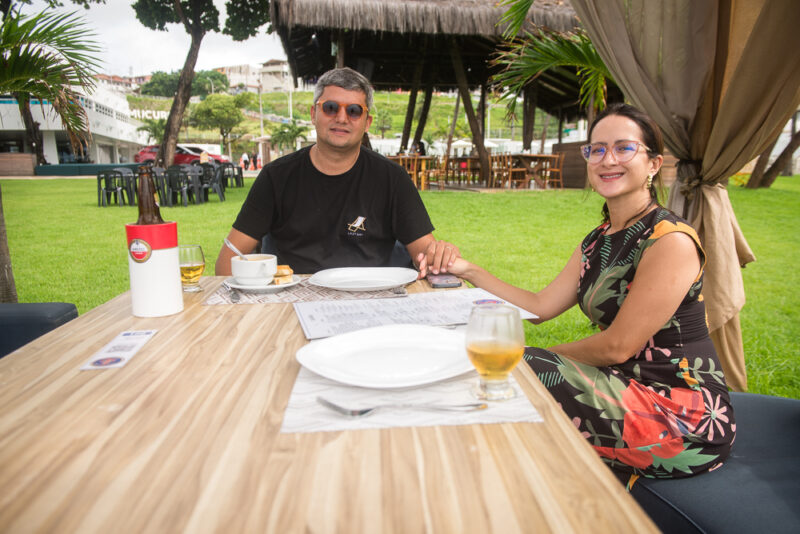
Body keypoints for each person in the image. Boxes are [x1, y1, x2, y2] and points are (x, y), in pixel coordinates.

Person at [429, 103, 735, 483]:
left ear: (654, 164)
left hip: (679, 415)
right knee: (494, 371)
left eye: (624, 148)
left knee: (513, 374)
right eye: (597, 149)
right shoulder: (598, 241)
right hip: (621, 389)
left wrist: (522, 359)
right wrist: (468, 270)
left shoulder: (669, 240)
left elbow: (616, 347)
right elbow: (540, 307)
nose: (607, 160)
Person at [216, 67, 459, 276]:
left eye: (354, 111)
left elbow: (425, 256)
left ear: (367, 123)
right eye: (330, 107)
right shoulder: (276, 177)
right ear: (314, 114)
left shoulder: (392, 179)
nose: (342, 118)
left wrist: (438, 252)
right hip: (292, 302)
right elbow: (227, 263)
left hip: (371, 303)